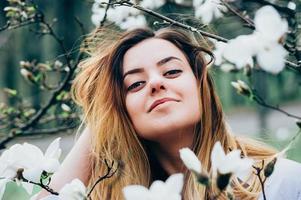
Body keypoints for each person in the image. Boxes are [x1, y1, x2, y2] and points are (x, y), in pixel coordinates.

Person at [38, 27, 301, 199]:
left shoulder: (282, 183)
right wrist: (101, 115)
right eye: (135, 84)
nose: (155, 83)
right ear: (119, 111)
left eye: (172, 71)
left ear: (200, 85)